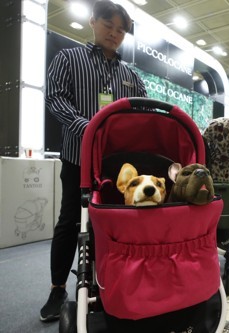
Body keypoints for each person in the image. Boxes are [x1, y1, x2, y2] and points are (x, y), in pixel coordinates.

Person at [41, 0, 148, 322]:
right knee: (70, 221)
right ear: (92, 22)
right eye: (108, 26)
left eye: (120, 30)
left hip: (116, 165)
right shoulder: (68, 58)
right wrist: (85, 128)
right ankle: (58, 287)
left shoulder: (131, 74)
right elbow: (55, 97)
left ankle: (104, 283)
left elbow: (140, 110)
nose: (114, 34)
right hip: (77, 157)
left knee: (112, 224)